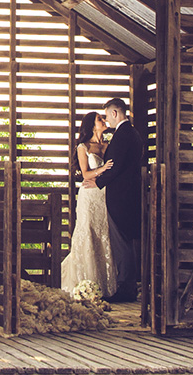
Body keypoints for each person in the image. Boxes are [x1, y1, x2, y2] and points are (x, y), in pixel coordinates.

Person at [60, 110, 129, 297]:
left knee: (103, 233)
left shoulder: (108, 145)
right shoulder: (83, 147)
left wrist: (106, 173)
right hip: (89, 195)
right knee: (88, 231)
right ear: (92, 125)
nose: (104, 120)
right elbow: (85, 174)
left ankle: (105, 284)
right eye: (100, 119)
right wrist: (102, 169)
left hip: (104, 193)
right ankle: (85, 280)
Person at [92, 97, 146, 302]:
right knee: (124, 242)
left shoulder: (123, 135)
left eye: (107, 115)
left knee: (121, 242)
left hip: (121, 197)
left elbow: (116, 165)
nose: (107, 120)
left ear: (115, 113)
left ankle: (126, 288)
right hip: (128, 195)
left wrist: (97, 182)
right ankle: (126, 284)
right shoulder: (133, 133)